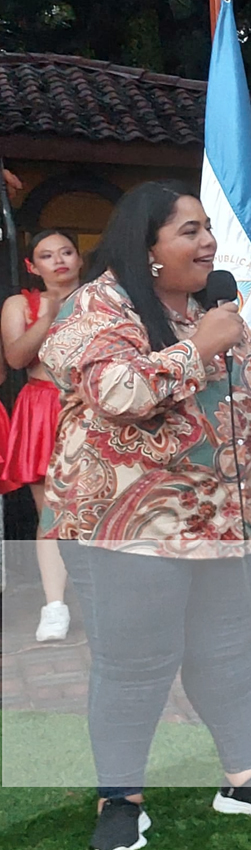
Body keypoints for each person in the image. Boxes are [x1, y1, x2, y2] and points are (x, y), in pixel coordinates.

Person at [39, 181, 251, 850]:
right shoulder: (99, 303)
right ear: (148, 245)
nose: (208, 242)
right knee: (135, 663)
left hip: (224, 521)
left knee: (222, 653)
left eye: (208, 228)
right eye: (190, 230)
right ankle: (120, 798)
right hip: (129, 528)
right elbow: (117, 390)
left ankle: (242, 777)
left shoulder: (210, 308)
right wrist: (202, 349)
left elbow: (223, 389)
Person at [1, 230, 82, 641]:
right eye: (47, 256)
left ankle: (101, 595)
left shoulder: (102, 299)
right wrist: (48, 315)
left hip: (89, 404)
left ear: (79, 258)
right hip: (41, 406)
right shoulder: (21, 303)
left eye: (66, 252)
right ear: (33, 266)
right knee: (51, 513)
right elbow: (16, 357)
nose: (59, 261)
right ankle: (54, 605)